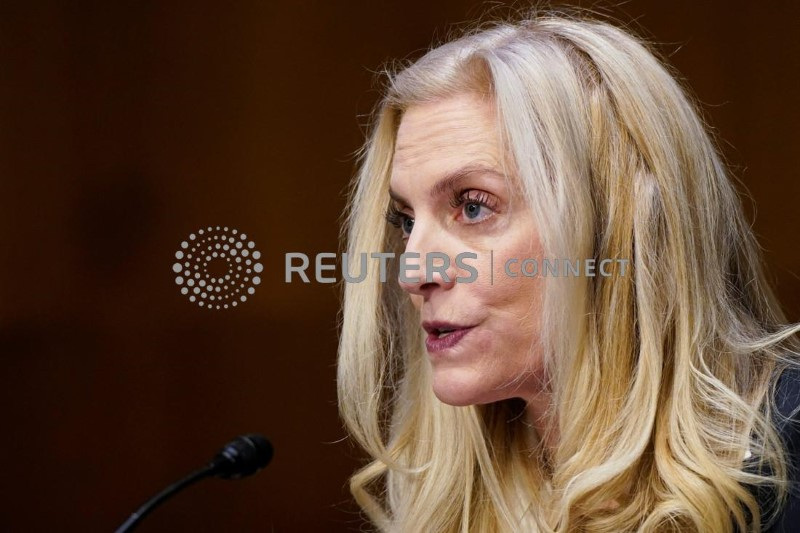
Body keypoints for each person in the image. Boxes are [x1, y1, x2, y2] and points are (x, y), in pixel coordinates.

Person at [336, 8, 800, 532]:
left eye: (472, 206)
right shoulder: (458, 499)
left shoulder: (788, 458)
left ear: (615, 223)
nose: (412, 272)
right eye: (405, 220)